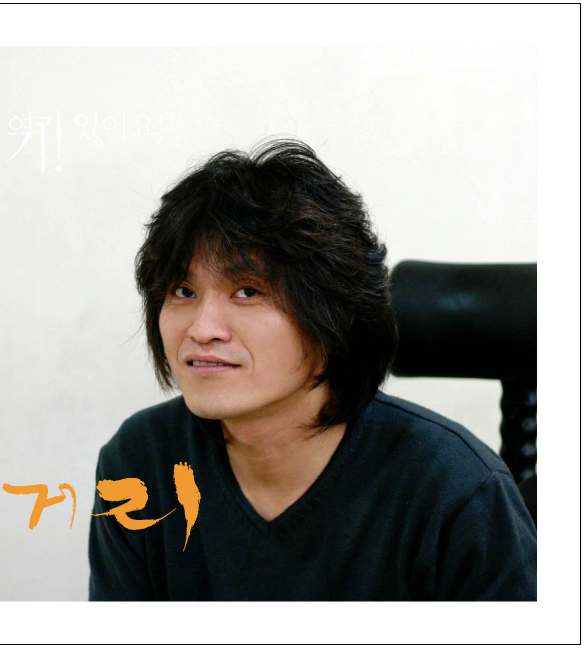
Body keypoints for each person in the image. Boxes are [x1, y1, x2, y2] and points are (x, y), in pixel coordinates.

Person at [88, 139, 536, 600]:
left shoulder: (456, 489)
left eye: (247, 291)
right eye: (183, 291)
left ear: (339, 316)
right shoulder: (139, 461)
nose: (202, 329)